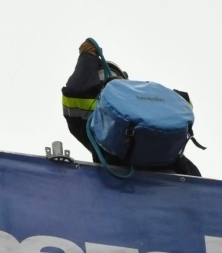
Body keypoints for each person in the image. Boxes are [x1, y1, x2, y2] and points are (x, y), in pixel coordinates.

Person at [61, 39, 201, 176]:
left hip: (122, 182)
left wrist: (87, 57)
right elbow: (184, 105)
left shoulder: (93, 121)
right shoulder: (97, 116)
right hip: (179, 176)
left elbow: (76, 91)